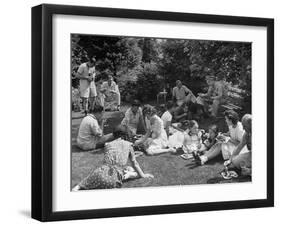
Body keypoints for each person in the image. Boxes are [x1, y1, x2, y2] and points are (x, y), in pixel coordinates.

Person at [73, 126, 154, 190]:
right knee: (132, 172)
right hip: (113, 179)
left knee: (82, 185)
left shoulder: (107, 145)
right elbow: (135, 163)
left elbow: (109, 160)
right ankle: (128, 174)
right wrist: (143, 175)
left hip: (99, 173)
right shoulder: (129, 145)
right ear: (125, 135)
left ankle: (77, 188)